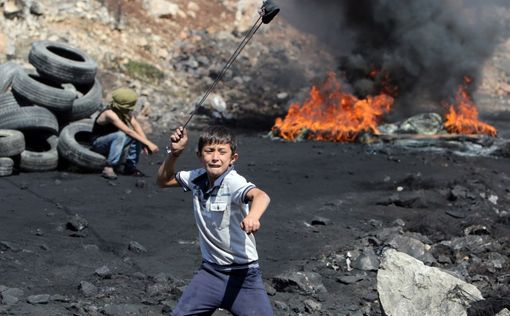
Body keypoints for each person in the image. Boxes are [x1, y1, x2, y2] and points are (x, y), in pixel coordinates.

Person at [156, 126, 274, 316]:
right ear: (199, 155)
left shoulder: (233, 181)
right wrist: (174, 153)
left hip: (243, 277)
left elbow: (261, 196)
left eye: (222, 152)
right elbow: (163, 181)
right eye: (209, 151)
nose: (215, 157)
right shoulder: (196, 178)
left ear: (232, 158)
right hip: (210, 274)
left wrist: (252, 216)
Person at [91, 87, 159, 179]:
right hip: (98, 144)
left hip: (114, 141)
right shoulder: (109, 113)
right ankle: (109, 167)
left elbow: (135, 124)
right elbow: (128, 130)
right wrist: (149, 143)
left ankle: (130, 167)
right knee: (121, 135)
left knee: (137, 137)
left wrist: (145, 143)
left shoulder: (124, 111)